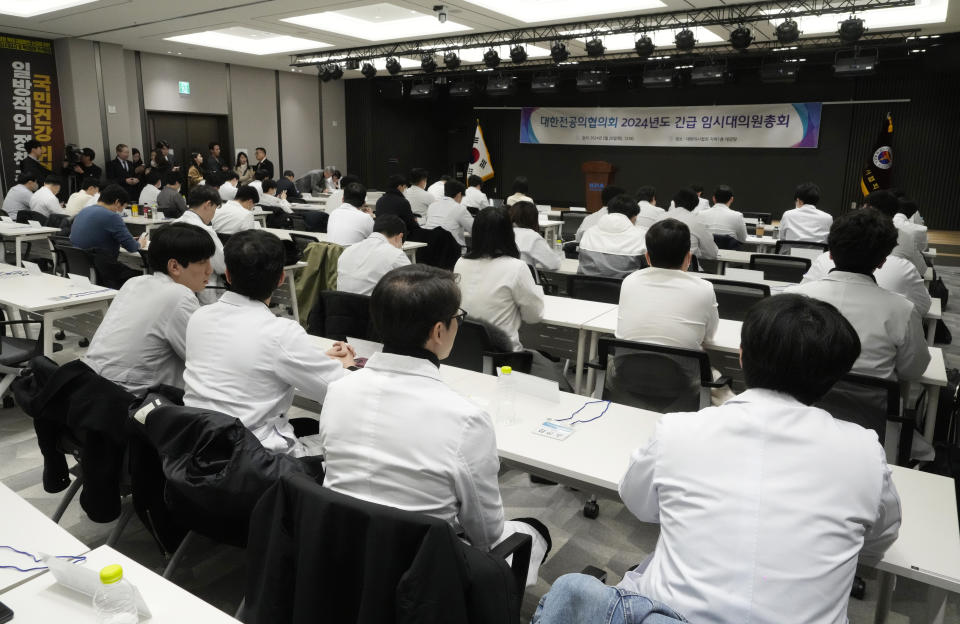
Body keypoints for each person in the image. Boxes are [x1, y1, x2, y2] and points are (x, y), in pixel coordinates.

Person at [540, 294, 901, 624]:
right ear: (834, 379)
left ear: (742, 355)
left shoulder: (678, 431)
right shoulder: (865, 452)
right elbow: (876, 542)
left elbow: (639, 504)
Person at [319, 264, 551, 587]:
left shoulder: (338, 391)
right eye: (458, 316)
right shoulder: (466, 419)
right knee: (535, 531)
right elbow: (487, 535)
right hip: (423, 579)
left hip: (342, 557)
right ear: (439, 332)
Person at [182, 229, 354, 456]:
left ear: (229, 275)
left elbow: (247, 361)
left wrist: (319, 359)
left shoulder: (199, 317)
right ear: (281, 278)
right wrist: (348, 364)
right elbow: (341, 391)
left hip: (201, 448)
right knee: (344, 446)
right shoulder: (281, 333)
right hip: (258, 462)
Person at [785, 208, 930, 380]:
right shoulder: (904, 311)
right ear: (883, 261)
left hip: (803, 400)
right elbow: (912, 371)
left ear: (829, 253)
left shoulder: (791, 299)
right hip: (869, 406)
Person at [81, 223, 215, 394]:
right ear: (174, 266)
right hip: (133, 401)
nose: (210, 270)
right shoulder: (178, 295)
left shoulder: (134, 283)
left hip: (93, 385)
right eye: (203, 262)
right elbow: (204, 359)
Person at [617, 218, 718, 349]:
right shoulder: (705, 289)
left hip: (625, 367)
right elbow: (709, 338)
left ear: (647, 257)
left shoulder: (630, 280)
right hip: (682, 369)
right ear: (688, 258)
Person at [175, 186, 225, 305]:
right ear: (208, 204)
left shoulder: (173, 225)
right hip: (203, 292)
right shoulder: (204, 231)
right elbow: (222, 266)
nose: (214, 214)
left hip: (176, 288)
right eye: (215, 208)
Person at [336, 215, 410, 295]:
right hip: (372, 306)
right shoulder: (396, 254)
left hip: (340, 306)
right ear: (400, 237)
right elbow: (413, 285)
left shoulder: (348, 250)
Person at [578, 195, 647, 279]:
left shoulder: (589, 232)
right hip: (623, 290)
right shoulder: (641, 236)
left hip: (586, 289)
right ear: (634, 217)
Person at [69, 184, 146, 259]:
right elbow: (132, 248)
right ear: (117, 202)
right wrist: (140, 244)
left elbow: (94, 238)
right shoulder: (112, 216)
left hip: (78, 264)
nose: (121, 211)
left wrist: (124, 239)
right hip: (100, 266)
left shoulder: (84, 211)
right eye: (123, 207)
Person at [864, 190, 927, 275]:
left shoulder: (857, 230)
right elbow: (922, 270)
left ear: (869, 208)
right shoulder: (904, 236)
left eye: (864, 207)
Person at [665, 188, 719, 262]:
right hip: (687, 269)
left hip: (658, 267)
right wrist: (696, 252)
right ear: (695, 205)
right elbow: (712, 254)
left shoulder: (659, 217)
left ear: (674, 202)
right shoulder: (699, 222)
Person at [510, 201, 562, 271]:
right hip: (522, 280)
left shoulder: (501, 232)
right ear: (533, 219)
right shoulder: (532, 237)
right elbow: (554, 264)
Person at [424, 180, 473, 247]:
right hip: (452, 250)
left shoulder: (432, 205)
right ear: (459, 194)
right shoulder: (459, 208)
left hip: (430, 247)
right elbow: (474, 230)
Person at [327, 182, 374, 246]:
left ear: (342, 199)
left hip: (332, 254)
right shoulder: (366, 218)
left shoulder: (333, 213)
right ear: (364, 203)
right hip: (352, 255)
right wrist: (371, 218)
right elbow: (374, 240)